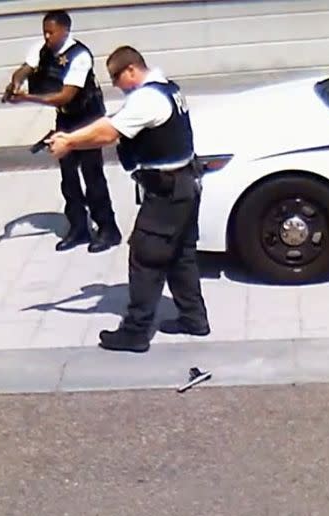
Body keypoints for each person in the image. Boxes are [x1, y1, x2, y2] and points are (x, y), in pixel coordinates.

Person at [47, 46, 211, 353]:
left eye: (116, 77)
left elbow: (109, 134)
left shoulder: (147, 99)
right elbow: (115, 121)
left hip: (167, 192)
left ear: (131, 70)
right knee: (180, 255)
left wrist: (69, 140)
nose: (115, 84)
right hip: (186, 185)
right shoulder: (167, 88)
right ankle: (194, 318)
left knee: (145, 257)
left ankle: (135, 332)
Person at [4, 10, 122, 253]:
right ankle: (78, 227)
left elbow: (64, 95)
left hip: (88, 118)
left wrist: (26, 97)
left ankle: (108, 229)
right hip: (66, 118)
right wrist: (15, 83)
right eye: (44, 31)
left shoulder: (80, 56)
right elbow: (24, 69)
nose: (47, 36)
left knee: (92, 175)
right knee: (68, 176)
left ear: (65, 30)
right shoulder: (42, 49)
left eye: (51, 32)